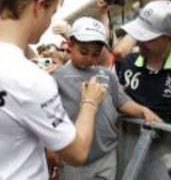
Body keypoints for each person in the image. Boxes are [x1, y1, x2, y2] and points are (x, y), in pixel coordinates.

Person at [0, 0, 107, 179]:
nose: (50, 20)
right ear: (39, 6)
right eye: (52, 12)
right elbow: (77, 152)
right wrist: (90, 103)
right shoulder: (30, 80)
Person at [52, 16, 162, 180]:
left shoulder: (106, 74)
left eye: (96, 54)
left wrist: (143, 110)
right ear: (70, 45)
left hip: (107, 153)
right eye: (84, 52)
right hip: (74, 159)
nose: (90, 58)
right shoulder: (57, 78)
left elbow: (122, 101)